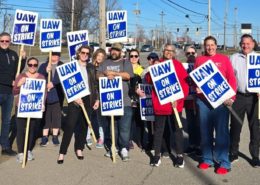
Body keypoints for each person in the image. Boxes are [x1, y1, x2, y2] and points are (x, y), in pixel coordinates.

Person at [195, 36, 237, 175]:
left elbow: (231, 78)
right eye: (207, 45)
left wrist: (232, 97)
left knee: (221, 133)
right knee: (205, 132)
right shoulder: (199, 60)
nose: (210, 47)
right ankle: (207, 159)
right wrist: (197, 88)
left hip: (221, 102)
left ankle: (224, 161)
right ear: (204, 46)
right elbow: (196, 79)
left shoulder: (224, 59)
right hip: (203, 102)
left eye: (212, 45)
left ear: (216, 45)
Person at [146, 44, 189, 167]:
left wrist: (179, 98)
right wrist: (151, 69)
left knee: (177, 130)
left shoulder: (178, 65)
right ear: (163, 51)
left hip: (176, 105)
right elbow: (149, 81)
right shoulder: (157, 63)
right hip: (160, 105)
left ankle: (179, 155)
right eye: (167, 50)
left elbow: (185, 85)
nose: (169, 52)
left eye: (171, 51)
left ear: (175, 53)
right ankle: (157, 155)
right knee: (159, 131)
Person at [57, 46, 99, 164]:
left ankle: (79, 148)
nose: (85, 54)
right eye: (83, 52)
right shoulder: (72, 66)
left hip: (88, 98)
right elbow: (65, 84)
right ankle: (62, 152)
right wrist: (74, 97)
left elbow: (94, 85)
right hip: (74, 98)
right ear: (78, 53)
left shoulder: (91, 67)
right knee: (70, 125)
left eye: (87, 53)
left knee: (84, 125)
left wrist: (97, 99)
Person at [97, 42, 134, 162]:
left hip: (125, 101)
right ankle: (114, 147)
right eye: (113, 50)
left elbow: (128, 76)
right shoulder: (105, 63)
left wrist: (115, 74)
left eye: (117, 50)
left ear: (121, 52)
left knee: (124, 127)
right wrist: (105, 74)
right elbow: (97, 75)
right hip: (110, 100)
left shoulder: (126, 62)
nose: (114, 52)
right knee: (113, 127)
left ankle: (124, 148)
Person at [229, 34, 260, 167]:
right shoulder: (234, 58)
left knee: (255, 128)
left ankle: (255, 155)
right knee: (235, 126)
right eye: (243, 43)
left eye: (248, 43)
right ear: (240, 44)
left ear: (253, 44)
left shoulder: (258, 58)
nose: (245, 46)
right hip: (239, 97)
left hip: (255, 98)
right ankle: (233, 152)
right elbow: (229, 76)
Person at [13, 57, 45, 163]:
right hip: (22, 107)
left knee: (31, 129)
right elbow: (14, 91)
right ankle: (21, 153)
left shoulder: (41, 77)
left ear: (37, 66)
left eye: (35, 65)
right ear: (27, 65)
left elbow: (44, 93)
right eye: (30, 65)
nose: (32, 67)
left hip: (34, 108)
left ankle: (29, 150)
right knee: (21, 129)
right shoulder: (21, 76)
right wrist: (19, 84)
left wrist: (43, 104)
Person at [0, 32, 26, 156]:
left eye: (7, 41)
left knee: (6, 121)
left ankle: (5, 146)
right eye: (2, 41)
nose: (5, 43)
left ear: (10, 42)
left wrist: (24, 58)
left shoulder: (14, 54)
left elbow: (18, 71)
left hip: (9, 94)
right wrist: (9, 81)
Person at [38, 52, 64, 146]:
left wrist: (53, 82)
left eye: (57, 55)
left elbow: (63, 77)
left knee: (56, 116)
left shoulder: (62, 65)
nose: (55, 56)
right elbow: (39, 76)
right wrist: (46, 70)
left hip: (57, 94)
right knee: (46, 116)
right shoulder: (44, 65)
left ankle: (55, 136)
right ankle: (44, 137)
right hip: (45, 95)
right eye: (53, 54)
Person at [183, 46, 201, 156]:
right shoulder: (183, 67)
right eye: (188, 53)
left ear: (196, 54)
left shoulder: (200, 65)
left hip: (199, 100)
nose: (190, 55)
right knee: (190, 124)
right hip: (188, 100)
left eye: (192, 53)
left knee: (200, 124)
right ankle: (192, 144)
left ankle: (200, 145)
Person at [89, 48, 107, 149]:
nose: (99, 58)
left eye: (102, 56)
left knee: (102, 118)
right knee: (91, 116)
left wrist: (99, 98)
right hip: (92, 94)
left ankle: (103, 137)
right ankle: (89, 135)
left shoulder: (105, 67)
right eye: (98, 56)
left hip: (101, 94)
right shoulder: (90, 67)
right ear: (95, 56)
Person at [128, 49, 144, 149]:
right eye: (131, 56)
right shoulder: (125, 69)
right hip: (127, 98)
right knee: (128, 121)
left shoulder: (142, 69)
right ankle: (128, 140)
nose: (133, 58)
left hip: (138, 100)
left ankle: (140, 140)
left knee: (139, 121)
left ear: (138, 57)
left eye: (136, 56)